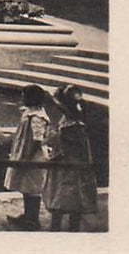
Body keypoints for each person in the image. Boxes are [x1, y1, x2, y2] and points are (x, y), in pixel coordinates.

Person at [43, 85, 98, 231]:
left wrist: (51, 159)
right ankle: (71, 228)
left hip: (68, 167)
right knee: (73, 200)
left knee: (62, 199)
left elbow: (66, 151)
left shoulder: (71, 127)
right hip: (75, 166)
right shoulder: (72, 123)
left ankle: (58, 229)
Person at [4, 84, 51, 230]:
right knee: (26, 186)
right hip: (25, 153)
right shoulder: (30, 112)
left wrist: (27, 158)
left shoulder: (37, 117)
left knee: (32, 189)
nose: (22, 98)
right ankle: (28, 215)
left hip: (33, 157)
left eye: (24, 95)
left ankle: (33, 219)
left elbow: (37, 140)